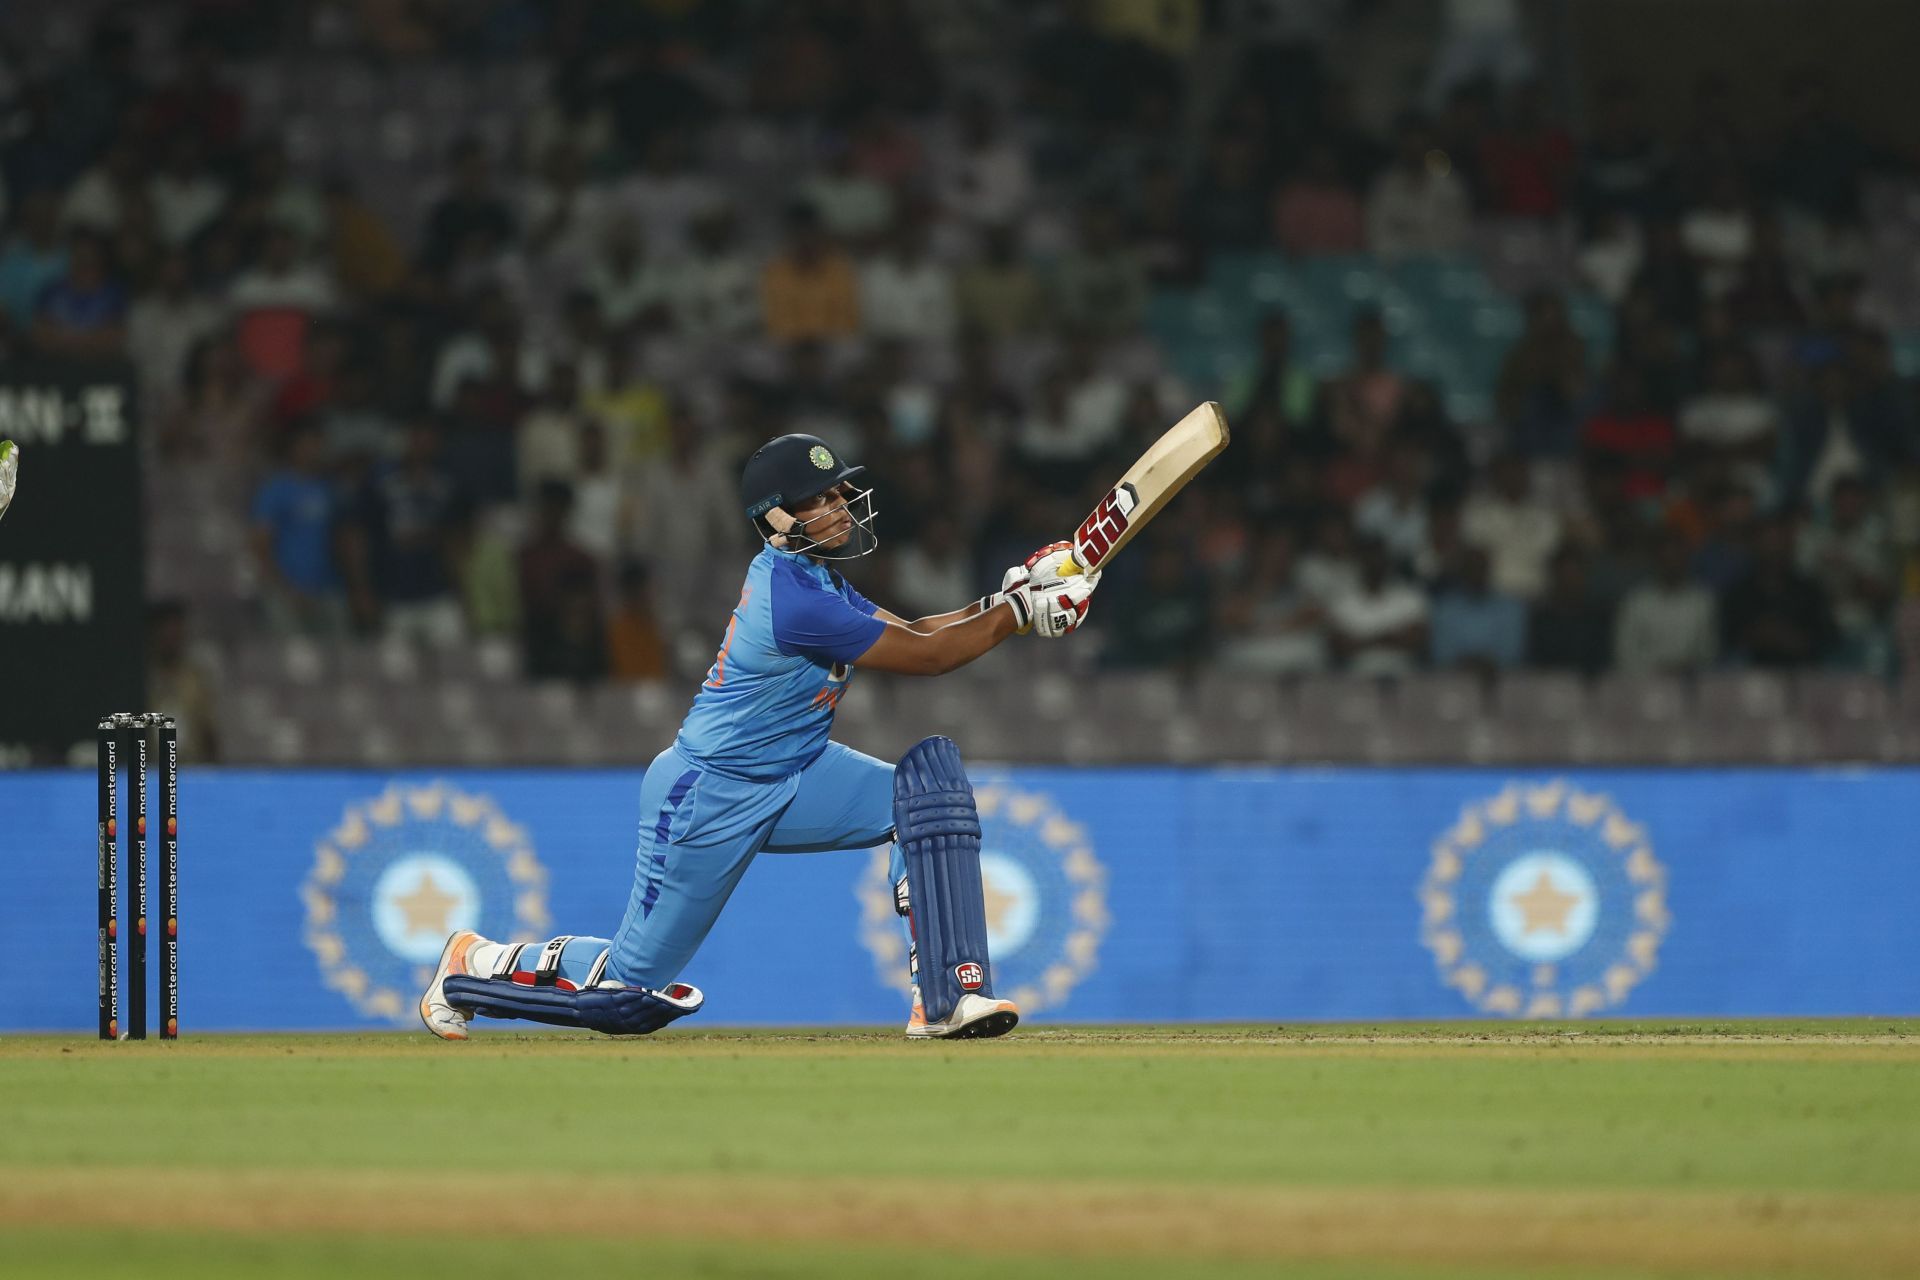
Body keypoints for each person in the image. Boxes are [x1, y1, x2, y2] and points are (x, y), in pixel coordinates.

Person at [420, 433, 1100, 1041]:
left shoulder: (818, 579)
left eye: (839, 492)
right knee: (624, 992)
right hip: (709, 793)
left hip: (800, 771)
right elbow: (929, 659)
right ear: (777, 518)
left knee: (924, 795)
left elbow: (922, 631)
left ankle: (948, 997)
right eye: (819, 498)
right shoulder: (793, 596)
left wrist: (1007, 596)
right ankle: (472, 963)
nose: (839, 506)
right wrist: (1019, 614)